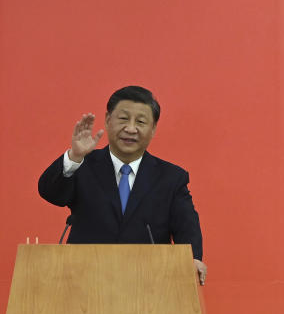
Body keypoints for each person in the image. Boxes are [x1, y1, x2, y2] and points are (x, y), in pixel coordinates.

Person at [38, 85, 207, 285]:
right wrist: (74, 157)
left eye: (141, 122)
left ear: (153, 129)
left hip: (149, 285)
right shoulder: (84, 164)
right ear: (108, 120)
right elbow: (50, 192)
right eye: (123, 119)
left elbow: (186, 224)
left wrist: (194, 258)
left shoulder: (171, 177)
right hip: (84, 281)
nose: (131, 128)